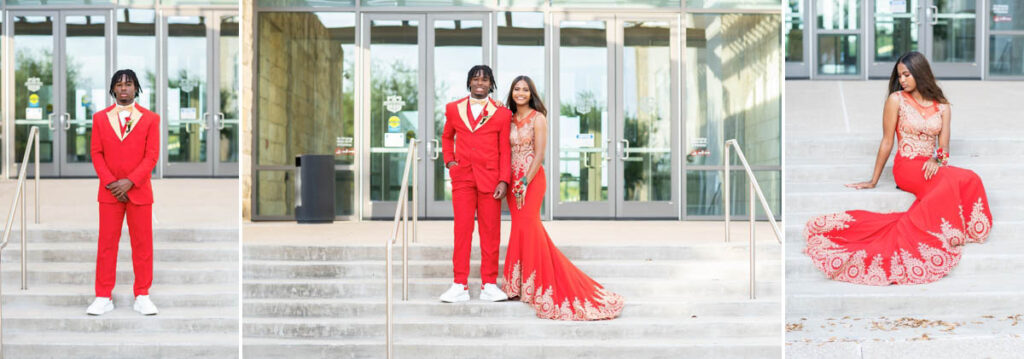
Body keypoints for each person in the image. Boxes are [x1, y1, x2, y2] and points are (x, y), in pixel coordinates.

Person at [804, 52, 992, 285]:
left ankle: (963, 229)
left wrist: (937, 159)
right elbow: (887, 141)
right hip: (907, 166)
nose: (902, 79)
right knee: (946, 183)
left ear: (920, 73)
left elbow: (944, 146)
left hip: (931, 165)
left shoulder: (942, 106)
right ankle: (946, 231)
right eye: (899, 75)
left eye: (907, 74)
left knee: (970, 177)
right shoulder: (896, 100)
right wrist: (873, 180)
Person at [501, 75, 623, 320]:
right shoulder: (508, 118)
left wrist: (524, 181)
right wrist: (509, 181)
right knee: (519, 228)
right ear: (512, 93)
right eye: (517, 89)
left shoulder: (538, 118)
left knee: (530, 226)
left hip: (531, 179)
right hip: (513, 180)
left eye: (525, 89)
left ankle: (538, 283)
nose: (521, 93)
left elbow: (540, 154)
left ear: (531, 93)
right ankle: (520, 283)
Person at [86, 69, 161, 315]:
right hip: (109, 194)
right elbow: (96, 153)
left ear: (136, 87)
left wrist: (129, 181)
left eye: (128, 84)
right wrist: (111, 183)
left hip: (139, 192)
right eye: (119, 84)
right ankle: (103, 296)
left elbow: (151, 156)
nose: (124, 88)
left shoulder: (151, 119)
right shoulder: (99, 118)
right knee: (106, 245)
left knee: (143, 246)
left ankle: (142, 294)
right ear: (113, 89)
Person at [438, 65, 512, 303]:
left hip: (491, 180)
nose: (480, 82)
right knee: (462, 232)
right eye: (475, 78)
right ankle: (459, 284)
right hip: (463, 179)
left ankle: (489, 284)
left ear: (491, 84)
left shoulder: (502, 113)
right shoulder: (453, 108)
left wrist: (504, 179)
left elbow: (504, 149)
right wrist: (450, 162)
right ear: (469, 82)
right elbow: (447, 137)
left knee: (490, 233)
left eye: (485, 79)